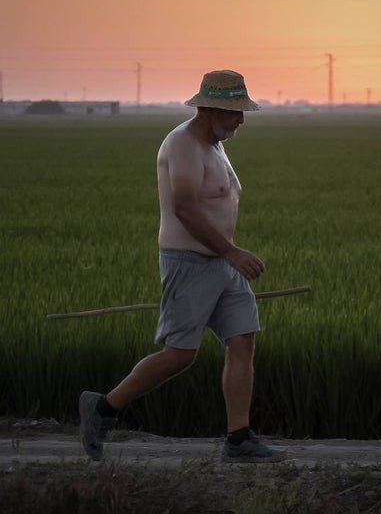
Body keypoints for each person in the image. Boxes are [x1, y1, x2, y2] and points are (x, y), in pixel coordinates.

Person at [79, 70, 283, 463]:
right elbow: (185, 207)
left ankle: (238, 438)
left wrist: (228, 255)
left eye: (242, 111)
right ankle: (103, 408)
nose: (241, 119)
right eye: (234, 112)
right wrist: (230, 252)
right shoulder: (183, 144)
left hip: (222, 263)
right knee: (180, 354)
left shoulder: (215, 144)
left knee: (242, 339)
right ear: (209, 108)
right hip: (191, 263)